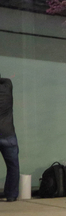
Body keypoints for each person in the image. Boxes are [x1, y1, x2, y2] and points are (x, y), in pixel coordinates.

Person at [0, 74, 19, 202]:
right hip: (8, 134)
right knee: (13, 166)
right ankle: (11, 195)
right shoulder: (7, 86)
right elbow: (6, 79)